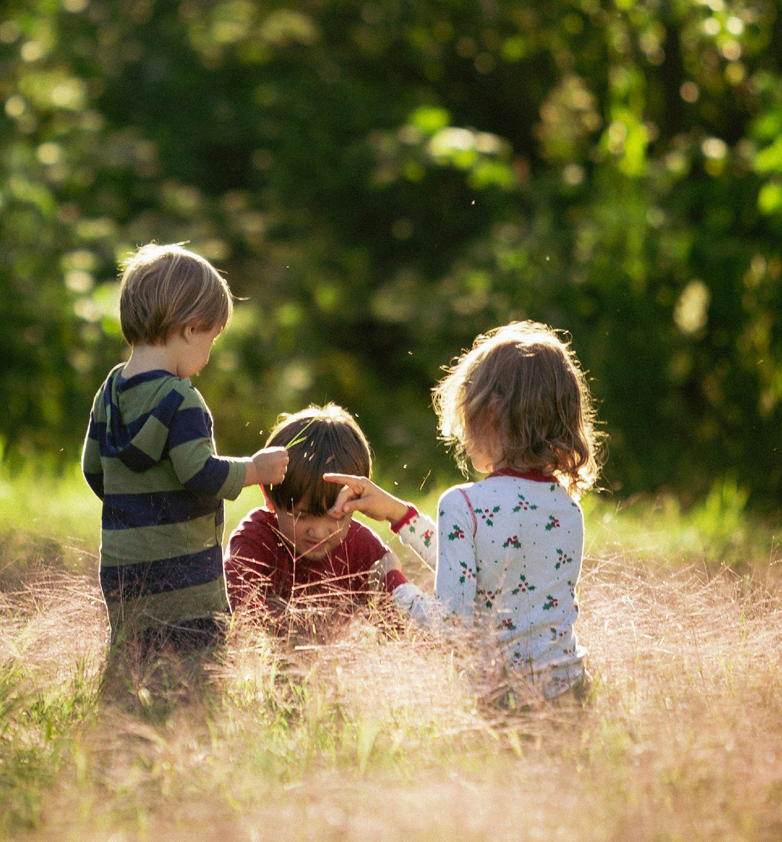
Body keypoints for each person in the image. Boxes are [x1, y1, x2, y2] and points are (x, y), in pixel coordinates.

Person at [326, 321, 604, 702]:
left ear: (488, 414)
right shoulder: (566, 508)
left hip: (501, 706)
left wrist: (393, 585)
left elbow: (452, 627)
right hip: (570, 695)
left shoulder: (464, 504)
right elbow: (486, 566)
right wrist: (398, 515)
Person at [81, 243, 288, 649]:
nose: (209, 354)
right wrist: (255, 469)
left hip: (123, 569)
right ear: (191, 329)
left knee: (134, 660)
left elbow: (93, 470)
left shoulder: (109, 392)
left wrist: (134, 511)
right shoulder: (181, 398)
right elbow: (199, 473)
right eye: (210, 340)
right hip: (185, 579)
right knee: (197, 669)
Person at [224, 404, 429, 627]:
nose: (319, 532)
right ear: (269, 496)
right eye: (301, 516)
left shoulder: (362, 549)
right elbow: (237, 602)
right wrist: (304, 634)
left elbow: (403, 626)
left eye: (337, 517)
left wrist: (390, 578)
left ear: (355, 504)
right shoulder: (256, 539)